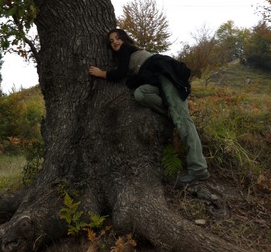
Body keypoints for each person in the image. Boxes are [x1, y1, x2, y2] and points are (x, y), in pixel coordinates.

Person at [89, 28, 209, 186]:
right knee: (140, 94)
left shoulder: (126, 50)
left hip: (165, 76)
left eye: (118, 38)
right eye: (111, 41)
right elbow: (132, 80)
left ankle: (198, 168)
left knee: (184, 121)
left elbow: (120, 74)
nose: (115, 42)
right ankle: (173, 113)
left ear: (124, 39)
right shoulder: (131, 57)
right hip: (156, 82)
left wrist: (101, 73)